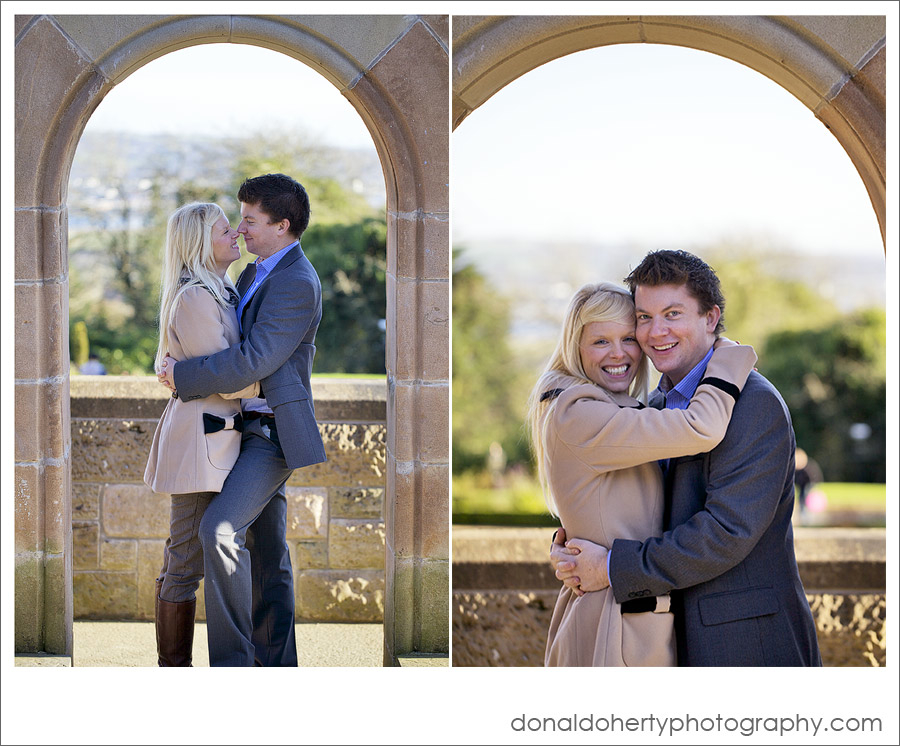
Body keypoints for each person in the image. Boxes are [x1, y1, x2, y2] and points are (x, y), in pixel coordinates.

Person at [552, 250, 822, 666]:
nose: (656, 331)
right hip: (666, 637)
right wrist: (572, 544)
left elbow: (726, 532)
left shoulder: (754, 403)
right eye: (643, 317)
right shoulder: (655, 404)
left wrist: (611, 567)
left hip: (743, 643)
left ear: (710, 318)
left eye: (673, 314)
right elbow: (629, 503)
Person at [527, 281, 757, 666]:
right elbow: (702, 427)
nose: (619, 354)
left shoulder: (616, 409)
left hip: (628, 617)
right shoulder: (579, 412)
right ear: (576, 347)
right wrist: (727, 357)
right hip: (612, 625)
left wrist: (569, 543)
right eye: (601, 341)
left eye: (629, 338)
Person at [159, 173, 326, 666]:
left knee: (219, 531)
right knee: (269, 555)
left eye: (250, 221)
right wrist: (168, 359)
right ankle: (276, 669)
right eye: (237, 222)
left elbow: (253, 361)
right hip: (239, 429)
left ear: (282, 225)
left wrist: (181, 375)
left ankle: (233, 667)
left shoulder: (296, 281)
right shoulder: (253, 272)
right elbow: (208, 331)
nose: (241, 230)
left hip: (271, 432)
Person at [144, 202, 257, 666]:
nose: (235, 235)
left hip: (219, 441)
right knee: (185, 562)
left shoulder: (221, 288)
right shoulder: (194, 296)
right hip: (197, 448)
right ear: (198, 243)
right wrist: (273, 379)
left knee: (191, 557)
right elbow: (225, 376)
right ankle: (174, 670)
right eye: (224, 229)